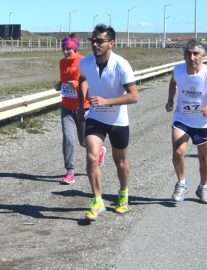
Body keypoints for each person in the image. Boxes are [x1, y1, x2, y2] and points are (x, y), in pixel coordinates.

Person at [79, 24, 139, 221]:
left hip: (118, 119)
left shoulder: (122, 65)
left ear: (111, 43)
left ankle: (123, 193)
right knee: (91, 156)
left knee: (119, 161)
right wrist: (83, 104)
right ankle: (97, 200)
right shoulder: (86, 63)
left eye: (100, 41)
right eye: (93, 41)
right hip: (96, 117)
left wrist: (107, 101)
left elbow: (133, 96)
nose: (95, 44)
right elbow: (83, 79)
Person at [166, 39, 207, 204]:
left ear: (203, 56)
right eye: (188, 53)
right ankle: (181, 183)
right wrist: (170, 100)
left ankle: (203, 187)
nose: (191, 57)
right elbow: (173, 83)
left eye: (195, 54)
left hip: (203, 121)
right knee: (178, 151)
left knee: (204, 158)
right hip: (182, 118)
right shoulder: (178, 70)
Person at [57, 34, 92, 185]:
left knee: (84, 141)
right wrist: (60, 85)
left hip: (83, 107)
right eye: (63, 49)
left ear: (75, 48)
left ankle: (99, 150)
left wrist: (76, 85)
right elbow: (64, 79)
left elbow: (90, 84)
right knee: (68, 139)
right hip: (66, 107)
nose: (65, 52)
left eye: (69, 49)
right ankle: (70, 172)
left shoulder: (84, 62)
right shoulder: (62, 63)